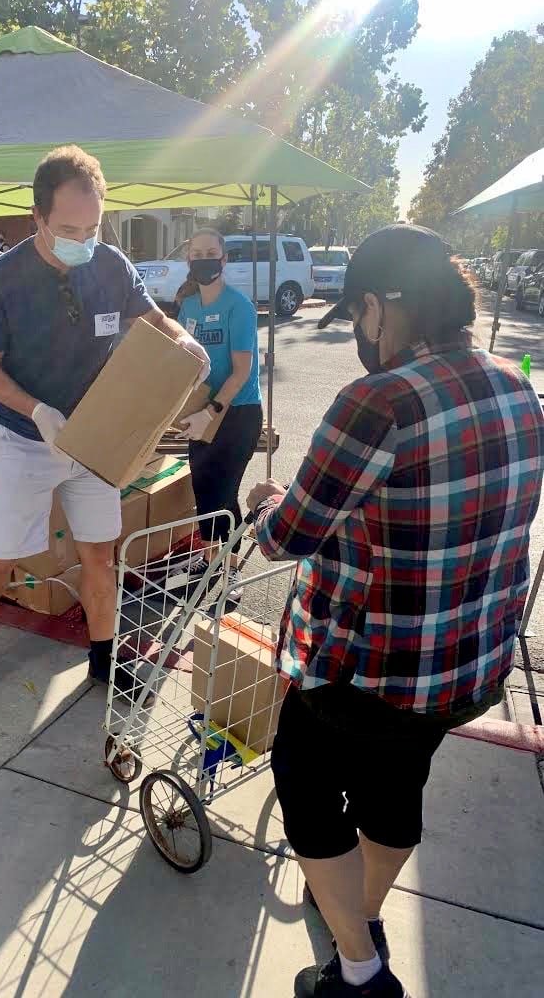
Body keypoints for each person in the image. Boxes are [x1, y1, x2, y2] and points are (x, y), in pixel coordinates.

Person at [247, 224, 544, 998]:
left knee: (305, 787)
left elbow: (290, 535)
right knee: (395, 787)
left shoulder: (378, 400)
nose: (356, 332)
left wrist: (265, 500)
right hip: (466, 666)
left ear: (379, 307)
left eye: (355, 316)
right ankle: (362, 914)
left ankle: (358, 971)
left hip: (369, 672)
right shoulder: (515, 383)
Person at [0, 145, 209, 699]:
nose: (83, 241)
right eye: (68, 228)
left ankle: (104, 659)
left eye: (92, 228)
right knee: (2, 554)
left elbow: (154, 321)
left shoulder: (110, 265)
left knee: (99, 554)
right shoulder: (1, 279)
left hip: (94, 441)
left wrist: (187, 345)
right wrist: (37, 410)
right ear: (37, 217)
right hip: (24, 439)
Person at [174, 227, 262, 593]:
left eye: (211, 252)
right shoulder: (188, 307)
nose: (204, 259)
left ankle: (229, 571)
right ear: (189, 260)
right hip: (202, 412)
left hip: (237, 414)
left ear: (224, 260)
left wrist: (211, 411)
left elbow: (241, 372)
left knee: (224, 492)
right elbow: (182, 363)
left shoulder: (238, 307)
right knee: (202, 488)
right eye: (197, 253)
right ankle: (210, 559)